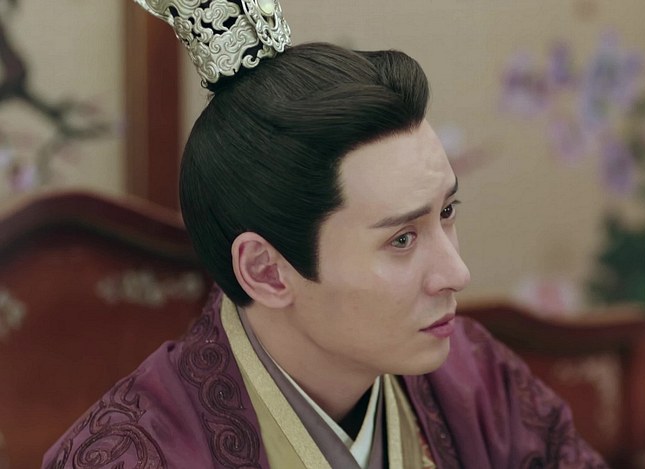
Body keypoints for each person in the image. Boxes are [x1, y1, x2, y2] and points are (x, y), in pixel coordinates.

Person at [44, 1, 608, 467]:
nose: (456, 273)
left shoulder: (474, 378)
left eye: (447, 212)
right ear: (267, 271)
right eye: (402, 239)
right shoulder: (129, 454)